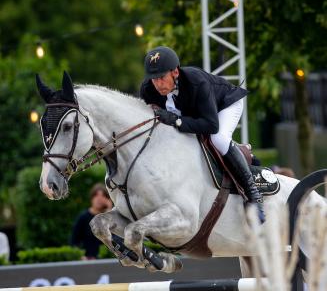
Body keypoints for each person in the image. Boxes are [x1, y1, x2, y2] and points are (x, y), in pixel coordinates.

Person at [139, 46, 265, 223]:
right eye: (153, 79)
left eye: (161, 78)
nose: (158, 84)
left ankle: (253, 194)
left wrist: (176, 121)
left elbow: (211, 125)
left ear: (175, 72)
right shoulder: (147, 90)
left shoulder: (196, 82)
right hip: (194, 113)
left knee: (218, 139)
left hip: (225, 105)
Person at [71, 183, 113, 259]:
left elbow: (115, 239)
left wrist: (109, 212)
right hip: (88, 261)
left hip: (106, 260)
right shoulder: (83, 217)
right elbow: (74, 241)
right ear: (91, 198)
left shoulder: (108, 218)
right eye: (96, 195)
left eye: (103, 196)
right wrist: (81, 256)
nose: (99, 199)